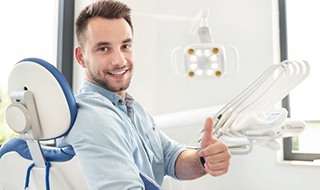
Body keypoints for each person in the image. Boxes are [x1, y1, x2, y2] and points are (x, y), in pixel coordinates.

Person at [58, 0, 231, 189]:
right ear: (81, 57)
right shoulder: (92, 116)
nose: (119, 60)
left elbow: (170, 158)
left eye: (125, 46)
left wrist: (202, 159)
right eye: (103, 49)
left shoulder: (132, 107)